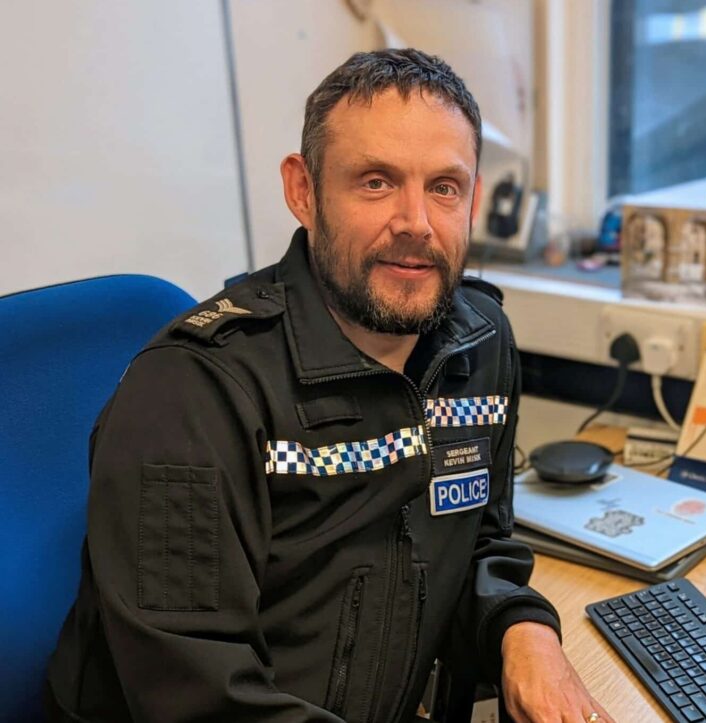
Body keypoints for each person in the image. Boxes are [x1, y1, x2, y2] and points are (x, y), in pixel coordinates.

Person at [45, 49, 613, 723]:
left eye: (444, 186)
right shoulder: (192, 394)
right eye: (375, 181)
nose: (416, 222)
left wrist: (527, 633)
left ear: (473, 199)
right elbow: (198, 701)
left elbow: (480, 541)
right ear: (304, 191)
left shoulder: (480, 344)